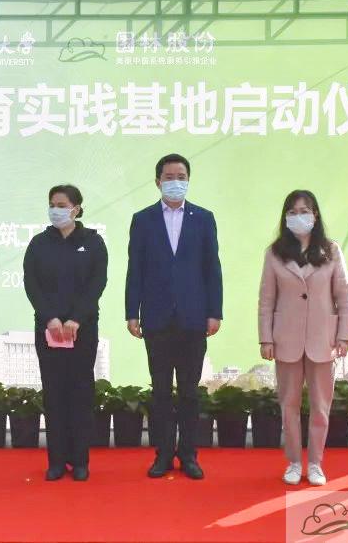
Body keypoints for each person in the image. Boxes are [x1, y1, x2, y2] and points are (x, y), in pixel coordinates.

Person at [125, 153, 223, 479]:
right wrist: (132, 312)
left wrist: (214, 311)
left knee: (190, 392)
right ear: (158, 182)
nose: (175, 182)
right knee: (161, 392)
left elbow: (212, 268)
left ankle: (189, 455)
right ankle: (163, 454)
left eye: (181, 176)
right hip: (157, 317)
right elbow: (135, 270)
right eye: (169, 177)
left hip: (194, 317)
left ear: (188, 180)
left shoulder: (203, 218)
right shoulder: (143, 219)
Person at [258, 190, 348, 486]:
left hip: (323, 339)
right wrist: (266, 338)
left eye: (304, 211)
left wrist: (344, 335)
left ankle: (315, 463)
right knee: (289, 405)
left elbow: (343, 296)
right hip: (285, 339)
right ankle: (293, 462)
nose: (299, 216)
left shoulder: (331, 250)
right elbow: (266, 300)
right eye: (293, 212)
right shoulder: (274, 253)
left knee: (321, 406)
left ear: (315, 215)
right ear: (285, 217)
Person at [23, 185, 107, 482]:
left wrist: (76, 319)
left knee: (81, 393)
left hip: (81, 330)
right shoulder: (39, 243)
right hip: (49, 330)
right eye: (52, 204)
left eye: (62, 205)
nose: (55, 210)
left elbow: (97, 283)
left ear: (76, 209)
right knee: (54, 393)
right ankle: (56, 461)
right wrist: (50, 318)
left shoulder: (93, 242)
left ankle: (80, 460)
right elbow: (32, 284)